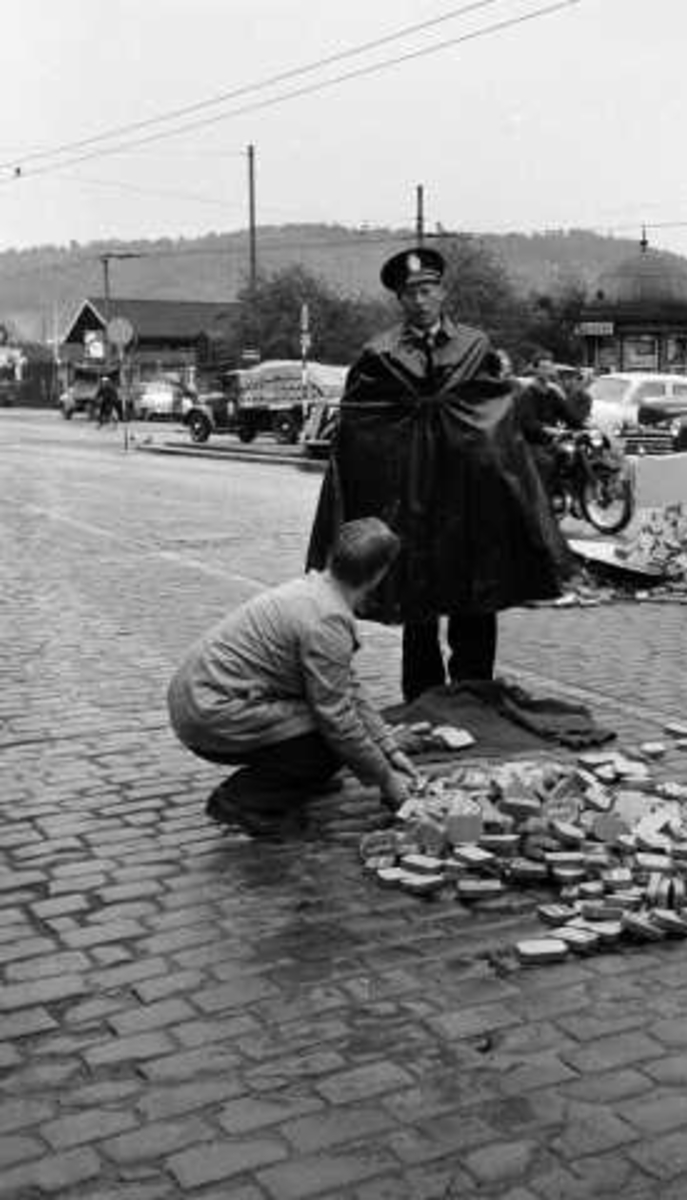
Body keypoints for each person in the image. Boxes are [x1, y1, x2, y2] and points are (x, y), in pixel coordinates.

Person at [306, 246, 567, 702]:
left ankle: (475, 693)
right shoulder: (379, 353)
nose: (420, 300)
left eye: (427, 289)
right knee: (417, 600)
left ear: (442, 292)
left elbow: (495, 413)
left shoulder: (475, 345)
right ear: (400, 300)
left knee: (477, 593)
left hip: (468, 496)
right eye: (410, 293)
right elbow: (361, 425)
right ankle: (423, 698)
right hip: (412, 498)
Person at [168, 517, 418, 832]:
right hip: (208, 713)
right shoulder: (327, 620)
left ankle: (294, 782)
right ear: (379, 574)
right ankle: (243, 799)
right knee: (329, 740)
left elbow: (346, 683)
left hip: (200, 698)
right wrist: (386, 779)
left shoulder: (317, 590)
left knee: (339, 736)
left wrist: (387, 746)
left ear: (332, 556)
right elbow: (338, 720)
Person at [515, 350, 585, 496]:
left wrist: (586, 428)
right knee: (547, 463)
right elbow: (529, 423)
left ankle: (570, 495)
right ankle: (543, 503)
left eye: (549, 367)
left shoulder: (552, 394)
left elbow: (568, 415)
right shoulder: (526, 394)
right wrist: (551, 430)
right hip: (532, 444)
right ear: (535, 369)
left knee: (574, 456)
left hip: (551, 442)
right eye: (543, 368)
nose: (547, 371)